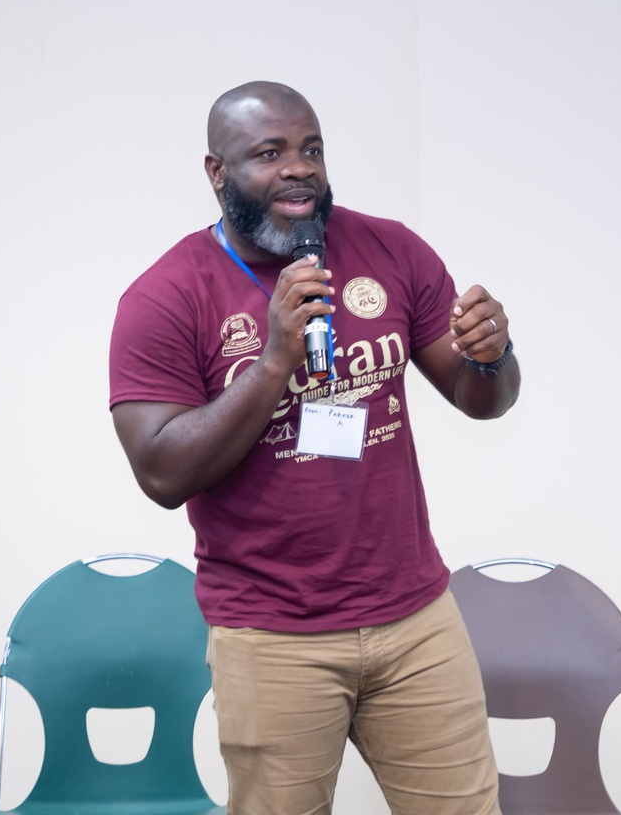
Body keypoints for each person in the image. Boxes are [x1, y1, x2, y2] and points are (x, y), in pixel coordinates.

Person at [109, 81, 521, 815]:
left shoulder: (391, 249)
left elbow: (478, 398)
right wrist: (275, 360)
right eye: (270, 153)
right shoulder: (166, 296)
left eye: (312, 150)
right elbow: (161, 472)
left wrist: (492, 357)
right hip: (272, 635)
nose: (298, 168)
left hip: (415, 618)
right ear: (217, 172)